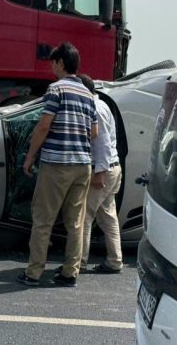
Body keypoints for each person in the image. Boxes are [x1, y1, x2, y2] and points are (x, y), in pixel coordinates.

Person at [16, 42, 97, 288]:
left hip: (57, 164)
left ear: (61, 63)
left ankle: (34, 272)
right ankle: (70, 272)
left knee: (43, 219)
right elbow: (93, 132)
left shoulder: (55, 90)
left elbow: (43, 126)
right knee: (75, 222)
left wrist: (30, 156)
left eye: (53, 62)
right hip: (83, 164)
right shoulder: (87, 93)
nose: (52, 66)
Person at [77, 74, 123, 274]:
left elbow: (102, 143)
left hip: (104, 169)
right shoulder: (102, 105)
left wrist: (100, 173)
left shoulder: (95, 109)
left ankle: (79, 262)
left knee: (85, 216)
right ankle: (115, 261)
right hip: (113, 167)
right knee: (107, 217)